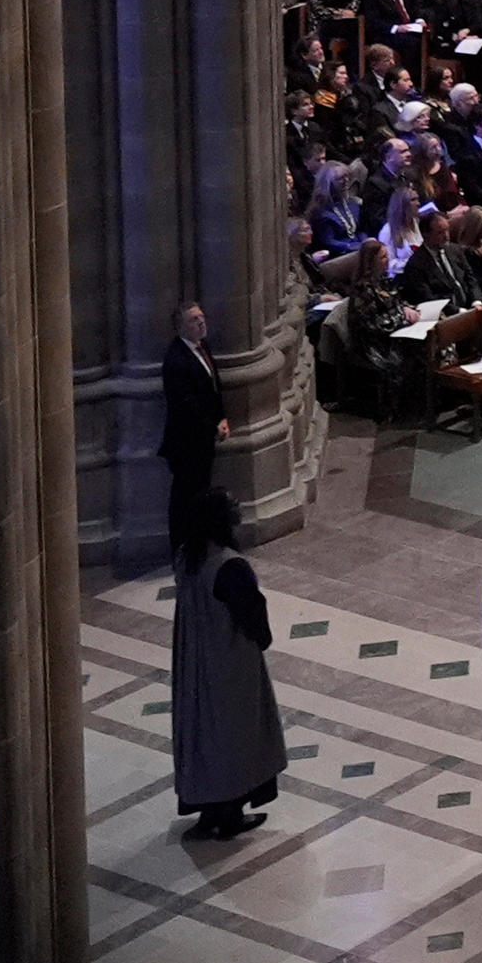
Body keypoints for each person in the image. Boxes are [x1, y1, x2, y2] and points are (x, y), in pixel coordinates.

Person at [168, 485, 286, 840]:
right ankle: (230, 814)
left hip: (195, 661)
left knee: (202, 733)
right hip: (229, 663)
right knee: (232, 734)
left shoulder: (189, 556)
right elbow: (252, 616)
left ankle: (208, 809)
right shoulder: (229, 566)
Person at [160, 298, 231, 510]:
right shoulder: (176, 360)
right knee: (186, 494)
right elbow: (186, 404)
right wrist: (213, 427)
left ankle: (200, 537)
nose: (201, 322)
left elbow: (214, 387)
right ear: (180, 327)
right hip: (187, 441)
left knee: (202, 490)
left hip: (204, 437)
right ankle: (184, 541)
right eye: (193, 320)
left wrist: (222, 418)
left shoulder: (202, 347)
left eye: (201, 317)